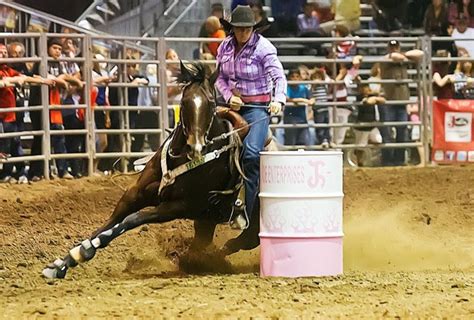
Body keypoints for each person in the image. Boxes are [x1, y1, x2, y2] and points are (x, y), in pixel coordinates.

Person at [216, 5, 286, 225]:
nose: (243, 33)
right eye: (239, 29)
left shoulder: (264, 48)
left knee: (251, 153)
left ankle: (247, 208)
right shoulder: (225, 47)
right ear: (233, 28)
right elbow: (219, 77)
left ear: (253, 29)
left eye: (247, 29)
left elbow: (279, 78)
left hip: (257, 107)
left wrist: (278, 100)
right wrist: (228, 96)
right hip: (231, 105)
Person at [380, 40, 424, 166]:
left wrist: (404, 56)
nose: (394, 49)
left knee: (402, 131)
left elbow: (420, 53)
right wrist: (405, 56)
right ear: (388, 48)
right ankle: (387, 160)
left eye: (396, 47)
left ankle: (399, 160)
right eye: (392, 47)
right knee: (388, 132)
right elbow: (394, 56)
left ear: (398, 47)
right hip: (389, 100)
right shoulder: (386, 59)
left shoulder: (402, 59)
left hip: (402, 101)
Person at [353, 83, 385, 166]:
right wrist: (374, 97)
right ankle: (359, 163)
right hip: (362, 126)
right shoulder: (359, 97)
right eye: (364, 88)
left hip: (372, 125)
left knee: (378, 140)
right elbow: (368, 102)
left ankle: (366, 149)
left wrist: (374, 96)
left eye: (367, 88)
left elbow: (383, 100)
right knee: (360, 147)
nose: (366, 89)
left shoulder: (372, 96)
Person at [284, 69, 312, 146]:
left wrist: (311, 101)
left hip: (302, 119)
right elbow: (288, 99)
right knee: (291, 143)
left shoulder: (304, 88)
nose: (295, 78)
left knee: (304, 143)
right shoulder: (287, 88)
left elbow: (311, 99)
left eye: (297, 76)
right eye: (292, 77)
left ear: (300, 78)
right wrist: (303, 100)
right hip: (290, 118)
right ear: (289, 78)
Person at [310, 68, 331, 148]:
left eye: (319, 78)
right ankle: (321, 140)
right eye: (315, 78)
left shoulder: (324, 85)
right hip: (318, 110)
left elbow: (329, 80)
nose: (317, 80)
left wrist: (323, 73)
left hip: (325, 108)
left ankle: (328, 140)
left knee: (327, 126)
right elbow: (310, 88)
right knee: (320, 126)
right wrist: (313, 82)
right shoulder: (312, 87)